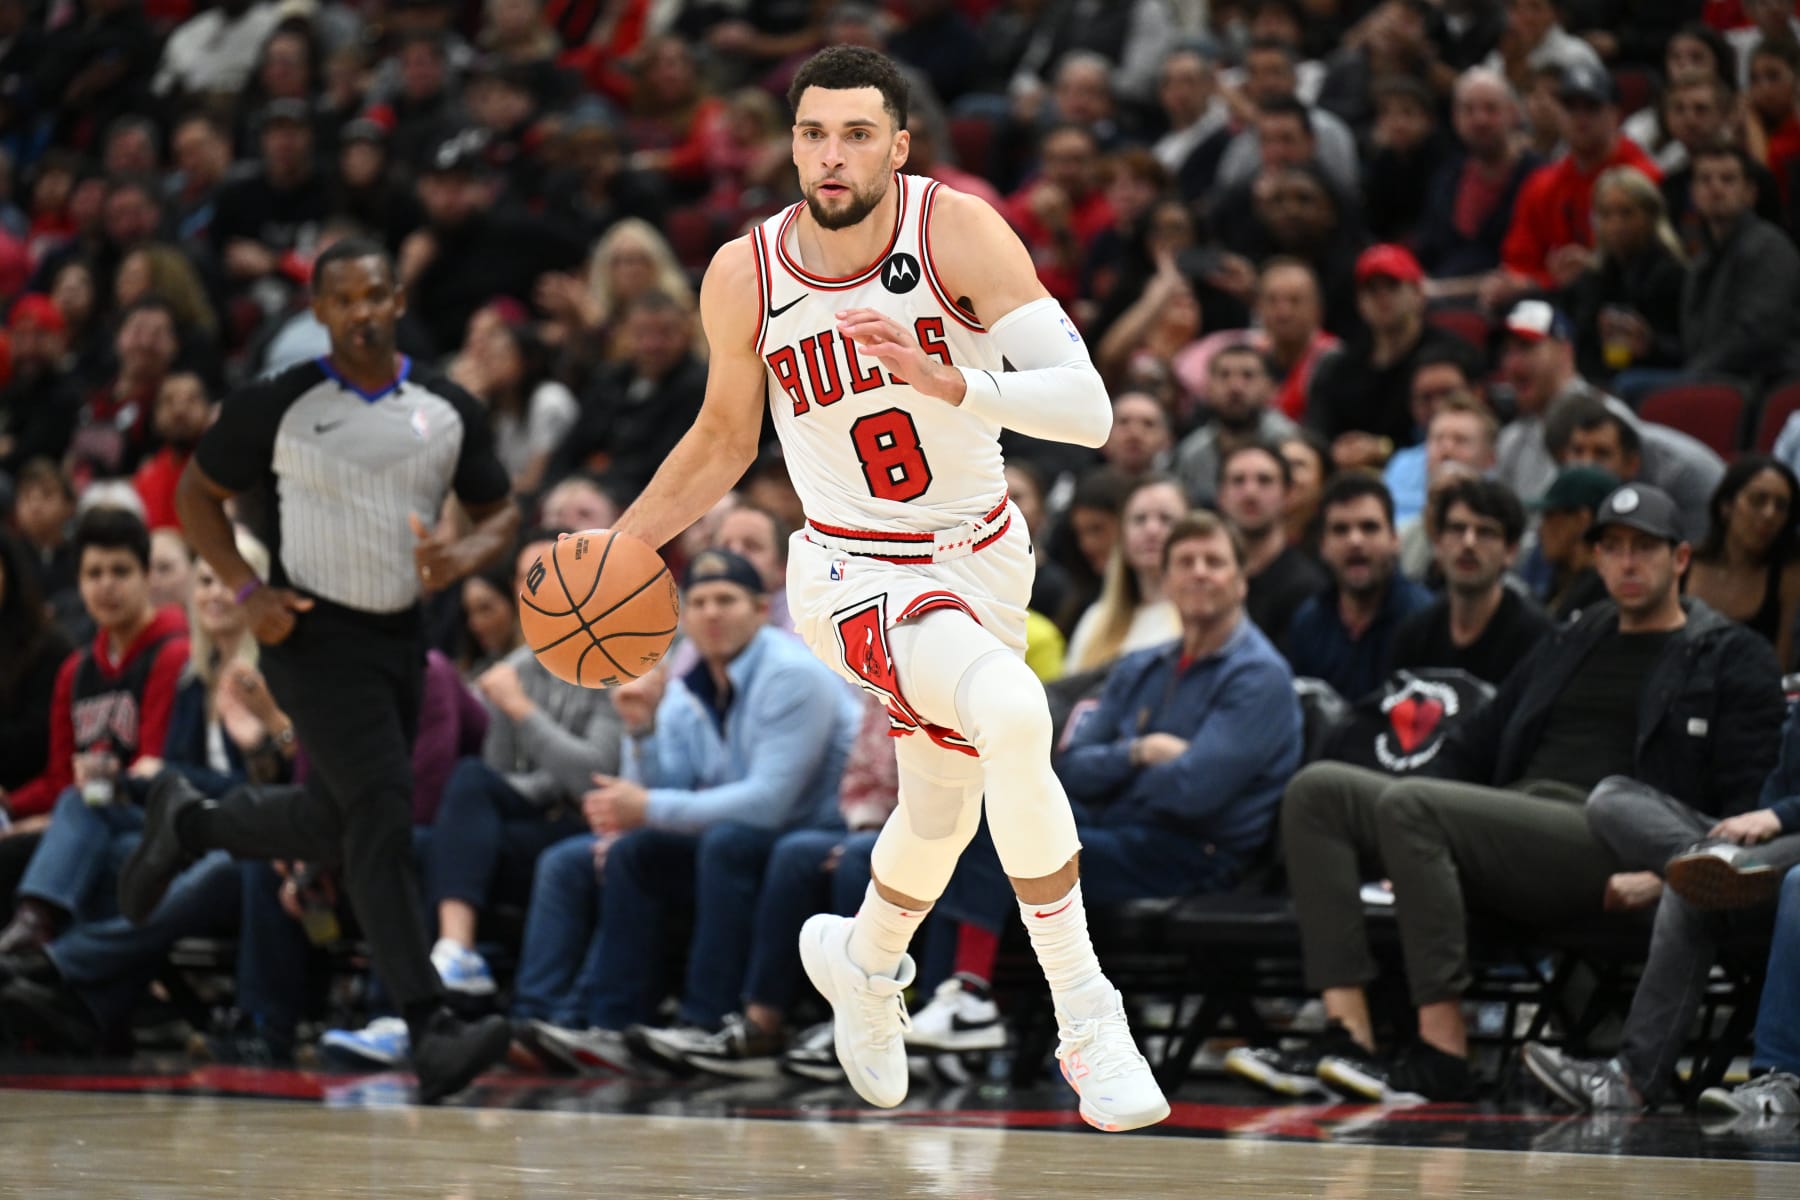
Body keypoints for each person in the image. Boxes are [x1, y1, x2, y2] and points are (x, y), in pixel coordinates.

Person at [600, 46, 1169, 1129]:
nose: (830, 154)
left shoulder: (954, 230)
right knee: (1012, 711)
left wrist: (948, 377)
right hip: (851, 567)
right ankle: (1089, 1018)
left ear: (898, 146)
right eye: (813, 132)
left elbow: (1089, 411)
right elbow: (725, 438)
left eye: (856, 134)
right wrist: (629, 543)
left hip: (985, 555)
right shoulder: (746, 272)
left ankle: (862, 961)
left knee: (944, 811)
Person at [123, 237, 523, 1105]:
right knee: (379, 816)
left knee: (330, 821)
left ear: (396, 299)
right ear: (321, 312)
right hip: (307, 634)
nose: (364, 310)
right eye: (345, 299)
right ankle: (430, 1030)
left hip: (400, 640)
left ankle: (189, 822)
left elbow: (501, 512)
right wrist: (245, 588)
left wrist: (463, 554)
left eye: (376, 293)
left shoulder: (447, 406)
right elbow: (196, 497)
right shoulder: (278, 401)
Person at [1249, 483, 1784, 1104]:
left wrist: (1669, 876)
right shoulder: (1573, 635)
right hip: (1516, 822)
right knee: (1318, 791)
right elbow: (1474, 743)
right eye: (1613, 547)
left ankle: (1442, 1052)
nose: (1628, 562)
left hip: (1609, 838)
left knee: (1411, 805)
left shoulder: (1729, 654)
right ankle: (1348, 1034)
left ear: (1681, 560)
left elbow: (1750, 804)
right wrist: (1411, 844)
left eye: (1644, 548)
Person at [1522, 699, 1800, 1114]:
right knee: (1611, 797)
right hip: (1770, 850)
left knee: (1790, 882)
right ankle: (1631, 1080)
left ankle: (1780, 1078)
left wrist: (1780, 815)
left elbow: (1778, 810)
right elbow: (1775, 792)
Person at [0, 507, 189, 955]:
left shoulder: (172, 653)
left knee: (24, 851)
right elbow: (59, 780)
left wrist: (57, 811)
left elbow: (153, 766)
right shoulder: (76, 671)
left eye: (120, 571)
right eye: (94, 573)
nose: (106, 585)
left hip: (147, 817)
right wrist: (10, 805)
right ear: (79, 584)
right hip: (82, 815)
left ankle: (34, 936)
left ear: (147, 577)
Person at [1389, 477, 1551, 685]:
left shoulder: (1536, 640)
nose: (1468, 543)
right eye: (1457, 529)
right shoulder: (1413, 634)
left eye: (1485, 532)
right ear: (1438, 543)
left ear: (1511, 551)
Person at [1285, 475, 1432, 701]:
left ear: (1395, 538)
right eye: (1340, 529)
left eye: (1369, 527)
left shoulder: (1425, 621)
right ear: (1322, 545)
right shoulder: (1308, 621)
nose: (1355, 541)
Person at [1685, 456, 1800, 671]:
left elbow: (1780, 669)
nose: (1769, 514)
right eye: (1758, 500)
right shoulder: (1685, 563)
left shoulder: (1788, 576)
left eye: (1781, 506)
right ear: (1726, 506)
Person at [1064, 475, 1187, 675]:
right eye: (1139, 520)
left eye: (1166, 519)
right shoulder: (1096, 619)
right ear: (1122, 535)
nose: (1152, 530)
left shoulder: (1204, 620)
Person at [1217, 441, 1327, 645]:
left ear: (1287, 494)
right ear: (1221, 496)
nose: (1250, 492)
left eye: (1264, 480)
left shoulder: (1308, 588)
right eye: (1238, 480)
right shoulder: (1206, 582)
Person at [1532, 464, 1618, 619]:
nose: (1541, 530)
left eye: (1550, 517)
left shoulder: (1603, 594)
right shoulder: (1563, 577)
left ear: (1581, 520)